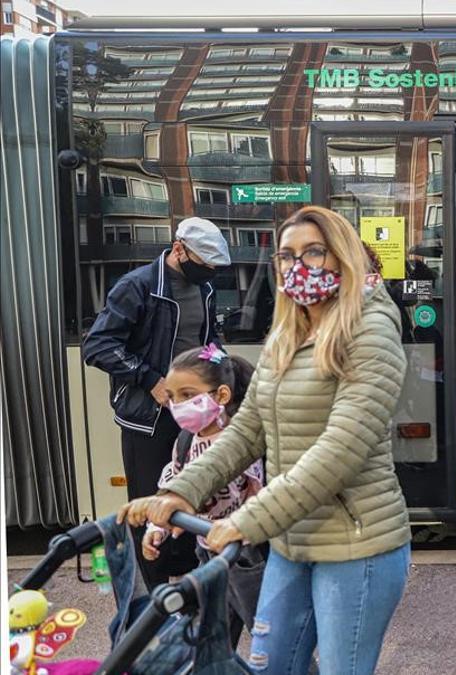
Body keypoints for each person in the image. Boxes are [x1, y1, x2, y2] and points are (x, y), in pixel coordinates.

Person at [119, 206, 412, 674]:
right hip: (291, 541)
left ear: (342, 257)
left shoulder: (370, 330)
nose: (298, 266)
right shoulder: (287, 333)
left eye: (313, 252)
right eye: (286, 256)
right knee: (270, 665)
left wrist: (247, 521)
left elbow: (342, 449)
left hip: (356, 546)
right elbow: (247, 430)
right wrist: (180, 490)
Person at [83, 216, 230, 587]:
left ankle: (187, 586)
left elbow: (208, 340)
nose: (209, 272)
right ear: (179, 249)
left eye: (214, 267)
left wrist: (221, 369)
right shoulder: (138, 286)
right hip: (148, 418)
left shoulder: (205, 289)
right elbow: (98, 345)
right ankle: (154, 593)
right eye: (204, 264)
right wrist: (150, 379)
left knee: (192, 494)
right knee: (151, 501)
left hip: (193, 413)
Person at [142, 344, 266, 648]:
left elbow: (258, 495)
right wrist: (157, 527)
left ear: (221, 396)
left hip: (246, 558)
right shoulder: (184, 442)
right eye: (172, 397)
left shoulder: (239, 442)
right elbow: (173, 489)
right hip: (207, 554)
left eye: (187, 395)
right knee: (209, 639)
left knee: (271, 639)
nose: (176, 405)